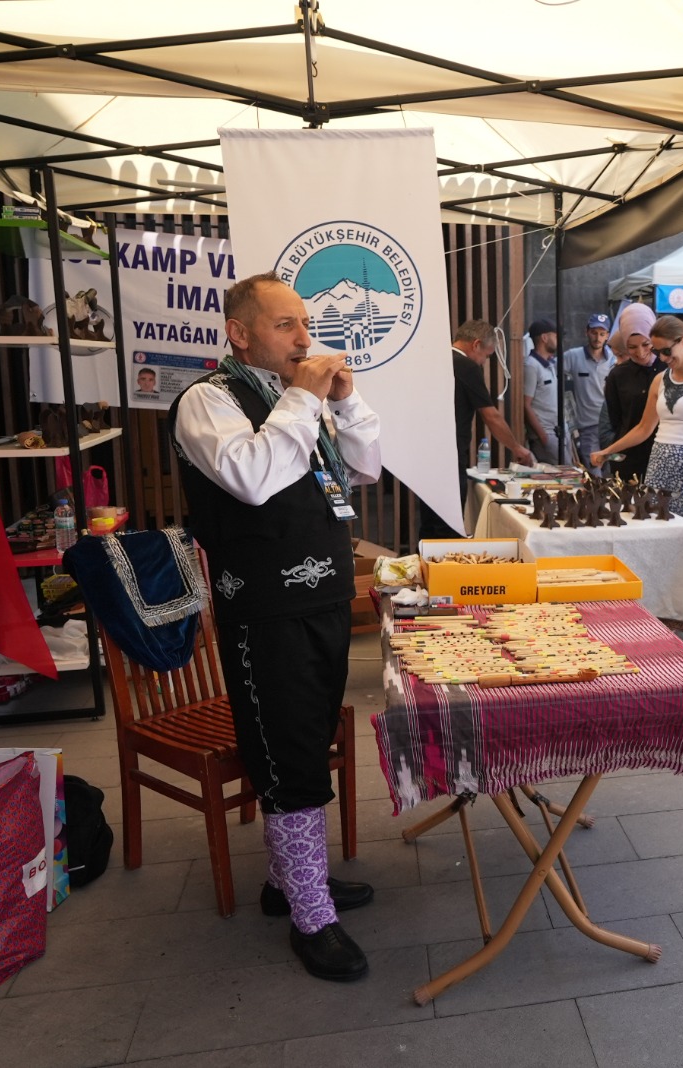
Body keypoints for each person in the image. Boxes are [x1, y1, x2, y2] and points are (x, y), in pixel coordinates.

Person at [170, 272, 383, 981]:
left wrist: (345, 402)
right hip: (263, 608)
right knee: (286, 754)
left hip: (323, 598)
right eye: (286, 325)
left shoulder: (300, 402)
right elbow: (253, 479)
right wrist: (304, 397)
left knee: (307, 742)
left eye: (305, 324)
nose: (304, 339)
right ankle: (310, 916)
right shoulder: (206, 401)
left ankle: (288, 882)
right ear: (240, 333)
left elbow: (366, 467)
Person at [593, 315, 683, 530]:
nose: (663, 358)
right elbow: (643, 428)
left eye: (666, 351)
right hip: (659, 464)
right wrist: (607, 451)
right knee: (657, 528)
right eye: (658, 352)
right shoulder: (660, 379)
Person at [422, 320, 534, 538]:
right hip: (448, 455)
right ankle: (446, 571)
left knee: (429, 523)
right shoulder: (465, 366)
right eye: (487, 355)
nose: (483, 362)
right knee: (448, 527)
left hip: (425, 453)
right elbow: (490, 415)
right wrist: (517, 448)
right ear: (476, 344)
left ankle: (425, 568)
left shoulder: (432, 359)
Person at [600, 304, 663, 483]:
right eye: (632, 347)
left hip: (662, 457)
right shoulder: (617, 375)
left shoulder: (668, 368)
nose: (640, 353)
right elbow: (615, 419)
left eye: (646, 344)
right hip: (628, 458)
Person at [564, 313, 615, 468]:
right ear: (586, 332)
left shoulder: (614, 358)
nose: (597, 338)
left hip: (610, 425)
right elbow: (552, 372)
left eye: (602, 334)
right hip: (587, 426)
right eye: (594, 333)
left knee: (613, 473)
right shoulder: (573, 356)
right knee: (594, 473)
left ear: (607, 336)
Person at [521, 318, 566, 464]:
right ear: (544, 338)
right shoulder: (531, 366)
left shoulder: (551, 363)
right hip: (546, 433)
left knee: (570, 473)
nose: (558, 340)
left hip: (559, 430)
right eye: (555, 336)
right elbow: (526, 404)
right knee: (560, 477)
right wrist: (542, 435)